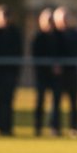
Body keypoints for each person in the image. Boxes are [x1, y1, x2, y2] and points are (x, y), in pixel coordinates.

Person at [0, 4, 22, 136]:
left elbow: (19, 52)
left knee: (9, 101)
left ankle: (8, 127)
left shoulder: (15, 32)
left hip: (11, 73)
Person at [51, 7, 77, 137]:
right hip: (57, 74)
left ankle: (74, 127)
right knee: (56, 102)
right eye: (61, 18)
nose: (64, 20)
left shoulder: (75, 34)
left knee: (74, 102)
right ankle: (55, 128)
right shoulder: (53, 34)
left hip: (72, 72)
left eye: (66, 17)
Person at [31, 8, 59, 136]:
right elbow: (35, 55)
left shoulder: (58, 36)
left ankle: (54, 127)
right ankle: (38, 127)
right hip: (42, 75)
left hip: (55, 75)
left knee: (56, 102)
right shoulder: (38, 37)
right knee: (40, 101)